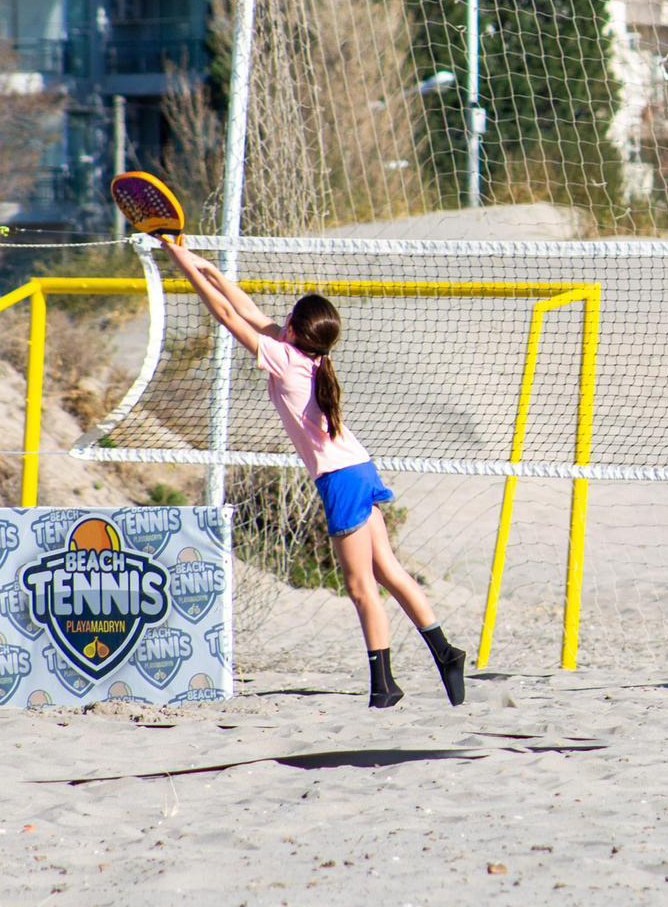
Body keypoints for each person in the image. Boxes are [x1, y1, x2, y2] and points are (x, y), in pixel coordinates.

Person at [164, 240, 466, 709]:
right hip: (360, 466)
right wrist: (195, 258)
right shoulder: (312, 356)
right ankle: (445, 653)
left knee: (360, 585)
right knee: (388, 570)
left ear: (292, 329)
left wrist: (180, 263)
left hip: (341, 479)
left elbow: (227, 315)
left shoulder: (284, 358)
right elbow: (241, 303)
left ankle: (384, 684)